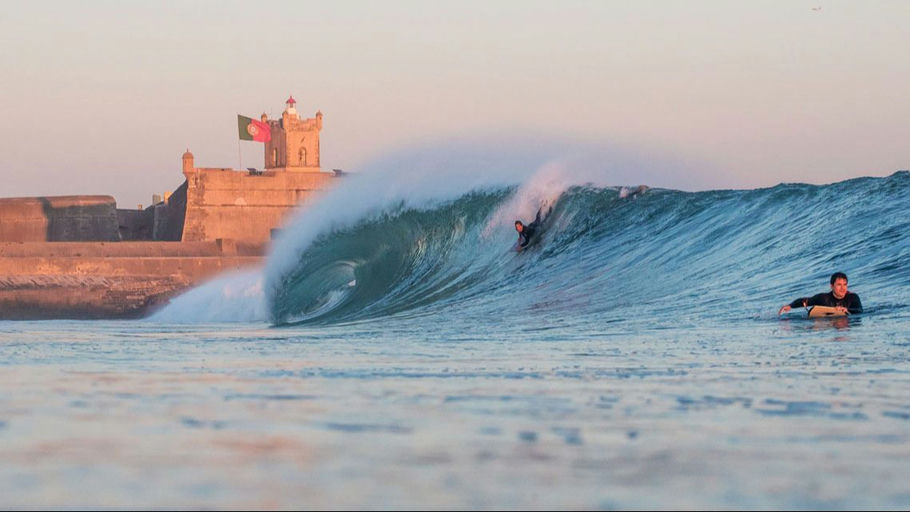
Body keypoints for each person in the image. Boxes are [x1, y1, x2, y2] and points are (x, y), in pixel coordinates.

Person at [778, 272, 863, 315]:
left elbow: (860, 310)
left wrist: (847, 310)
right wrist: (790, 306)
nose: (843, 288)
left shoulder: (853, 297)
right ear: (831, 286)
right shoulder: (823, 298)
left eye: (845, 284)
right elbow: (805, 301)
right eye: (839, 285)